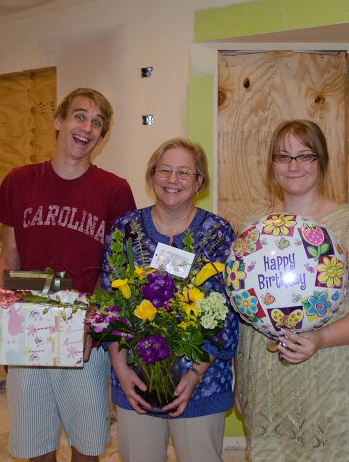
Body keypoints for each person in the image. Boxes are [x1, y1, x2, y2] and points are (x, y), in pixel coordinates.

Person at [0, 87, 136, 462]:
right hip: (27, 328)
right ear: (59, 121)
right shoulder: (19, 181)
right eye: (80, 116)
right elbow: (10, 256)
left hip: (84, 334)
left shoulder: (115, 190)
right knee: (35, 444)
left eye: (97, 122)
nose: (87, 127)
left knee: (87, 446)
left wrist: (95, 324)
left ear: (102, 136)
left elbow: (118, 273)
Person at [234, 120, 349, 462]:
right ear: (272, 164)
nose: (293, 166)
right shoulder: (252, 226)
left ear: (320, 162)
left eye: (305, 156)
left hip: (330, 378)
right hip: (266, 380)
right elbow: (245, 309)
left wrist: (320, 338)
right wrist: (240, 377)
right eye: (283, 156)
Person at [100, 138, 237, 462]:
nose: (172, 180)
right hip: (135, 382)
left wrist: (193, 376)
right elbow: (108, 304)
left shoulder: (217, 233)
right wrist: (121, 371)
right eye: (164, 171)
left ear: (199, 182)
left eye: (183, 173)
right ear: (151, 176)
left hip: (202, 385)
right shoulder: (126, 229)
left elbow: (227, 318)